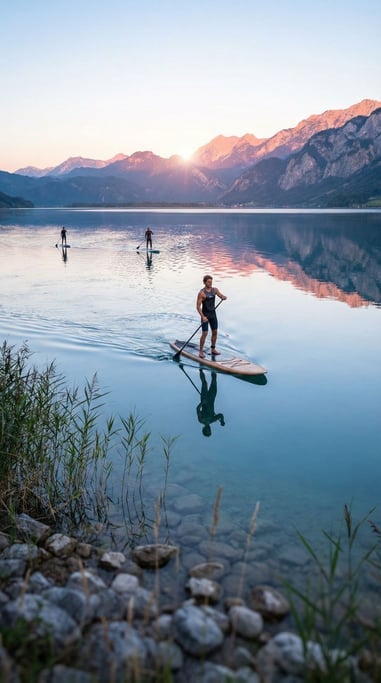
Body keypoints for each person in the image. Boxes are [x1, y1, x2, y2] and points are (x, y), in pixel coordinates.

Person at [196, 275, 227, 358]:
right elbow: (198, 307)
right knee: (205, 333)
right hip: (205, 316)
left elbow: (221, 295)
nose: (210, 283)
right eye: (208, 282)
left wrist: (223, 297)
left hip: (213, 315)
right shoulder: (201, 293)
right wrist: (203, 317)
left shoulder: (215, 290)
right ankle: (200, 351)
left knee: (215, 332)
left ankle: (213, 349)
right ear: (204, 282)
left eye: (211, 281)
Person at [196, 369, 225, 437]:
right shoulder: (213, 420)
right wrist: (222, 421)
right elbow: (220, 415)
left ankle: (200, 369)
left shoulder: (201, 420)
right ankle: (214, 368)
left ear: (204, 430)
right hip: (212, 398)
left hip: (204, 398)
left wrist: (202, 403)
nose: (209, 429)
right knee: (214, 381)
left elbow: (197, 409)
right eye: (210, 431)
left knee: (204, 383)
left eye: (208, 431)